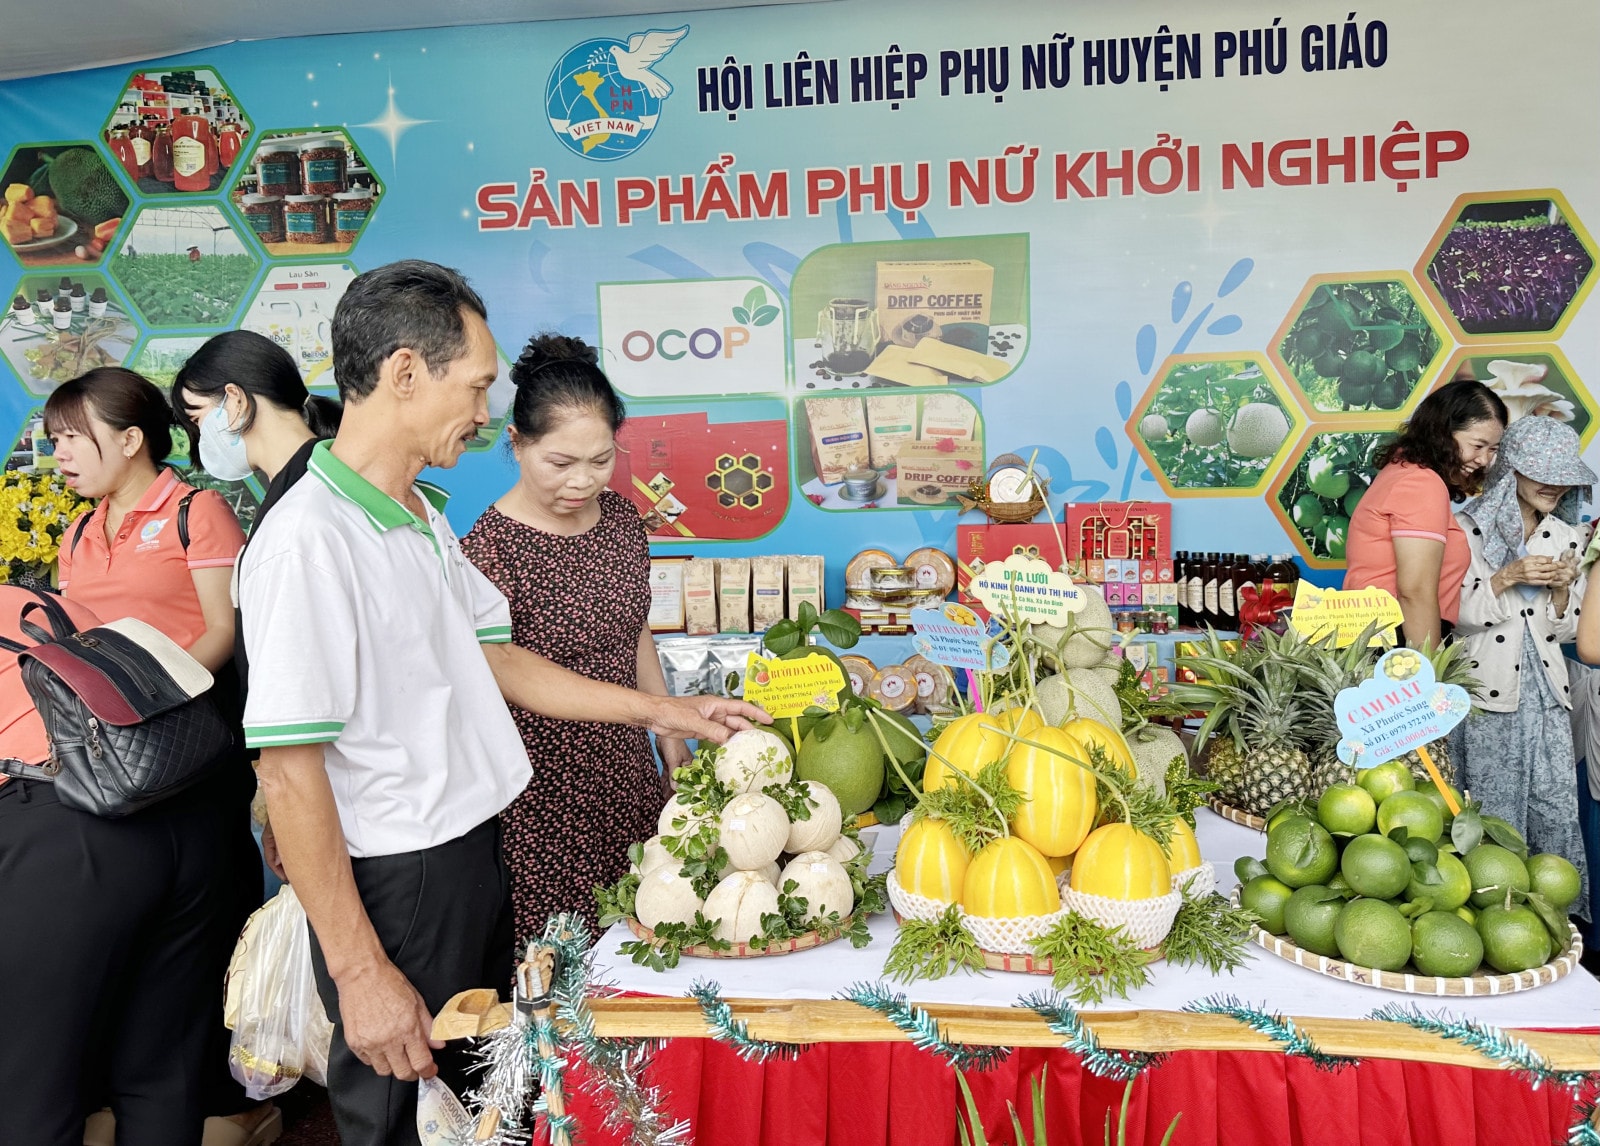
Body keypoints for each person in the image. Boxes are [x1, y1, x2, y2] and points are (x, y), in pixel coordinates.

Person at [240, 260, 767, 1146]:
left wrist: (666, 715)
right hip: (396, 882)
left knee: (481, 1108)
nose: (485, 412)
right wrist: (359, 969)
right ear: (406, 373)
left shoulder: (416, 519)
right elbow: (289, 773)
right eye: (477, 385)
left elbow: (499, 660)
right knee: (406, 1113)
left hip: (467, 861)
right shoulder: (310, 541)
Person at [460, 334, 688, 941]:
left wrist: (669, 741)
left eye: (601, 459)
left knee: (650, 941)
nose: (582, 481)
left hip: (626, 775)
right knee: (563, 970)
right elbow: (498, 674)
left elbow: (633, 628)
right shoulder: (488, 549)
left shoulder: (618, 520)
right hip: (539, 798)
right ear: (517, 442)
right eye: (560, 463)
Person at [173, 328, 345, 885]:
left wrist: (288, 807)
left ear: (238, 401)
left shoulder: (306, 505)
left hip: (340, 782)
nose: (200, 443)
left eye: (199, 418)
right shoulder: (296, 491)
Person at [1454, 415, 1591, 923]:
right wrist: (1507, 575)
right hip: (1484, 696)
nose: (1554, 483)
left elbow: (1569, 631)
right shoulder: (1467, 529)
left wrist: (1559, 593)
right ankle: (1492, 920)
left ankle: (1556, 929)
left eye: (1561, 473)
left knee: (1553, 808)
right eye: (1541, 471)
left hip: (1550, 695)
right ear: (1510, 468)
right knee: (1492, 814)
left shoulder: (1566, 534)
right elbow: (1458, 618)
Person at [1343, 379, 1508, 647]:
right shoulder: (1420, 483)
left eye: (1493, 450)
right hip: (1397, 639)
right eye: (1477, 446)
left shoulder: (1402, 472)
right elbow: (1414, 592)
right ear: (1442, 433)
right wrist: (1427, 671)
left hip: (1379, 635)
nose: (1484, 460)